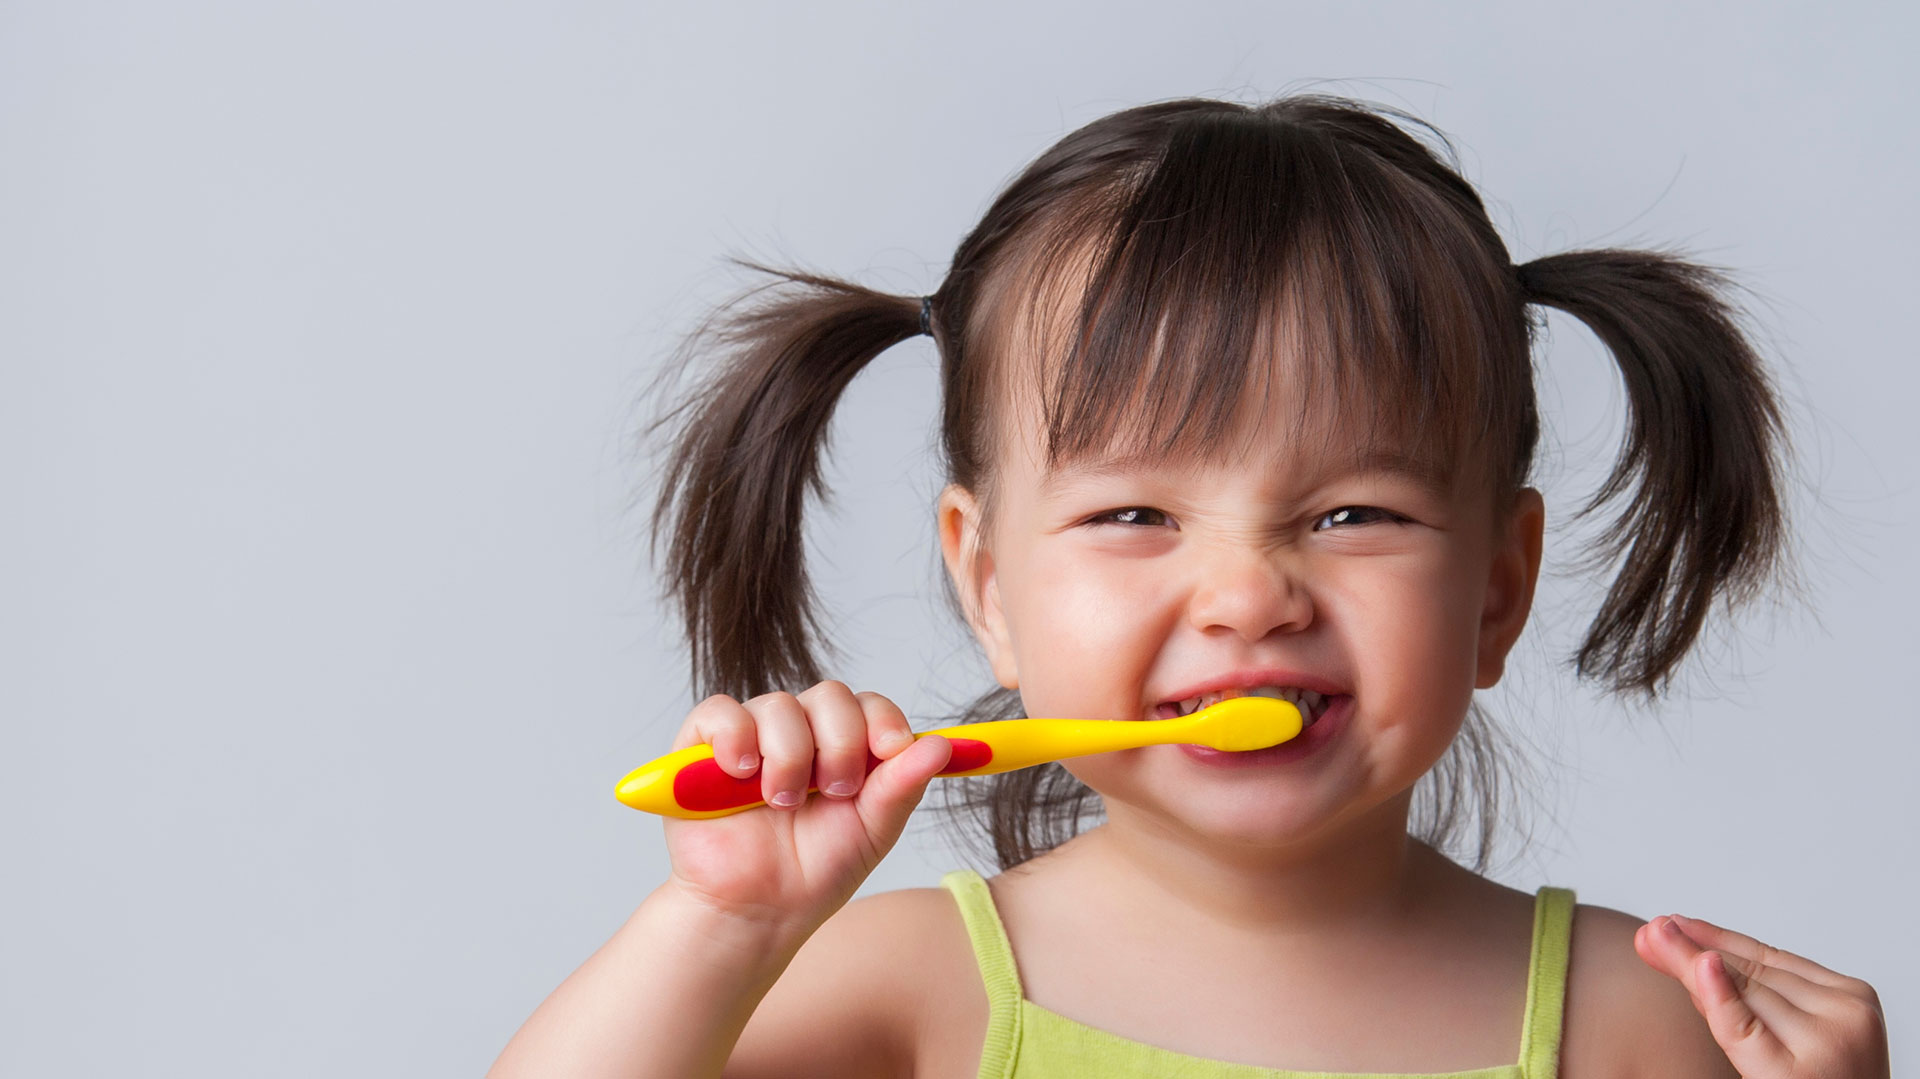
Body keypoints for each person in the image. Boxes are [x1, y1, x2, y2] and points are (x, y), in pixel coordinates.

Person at [488, 93, 1889, 1078]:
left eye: (1354, 511)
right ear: (987, 581)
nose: (1248, 593)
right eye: (1135, 511)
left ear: (1499, 593)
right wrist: (725, 927)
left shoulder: (1637, 1027)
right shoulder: (904, 993)